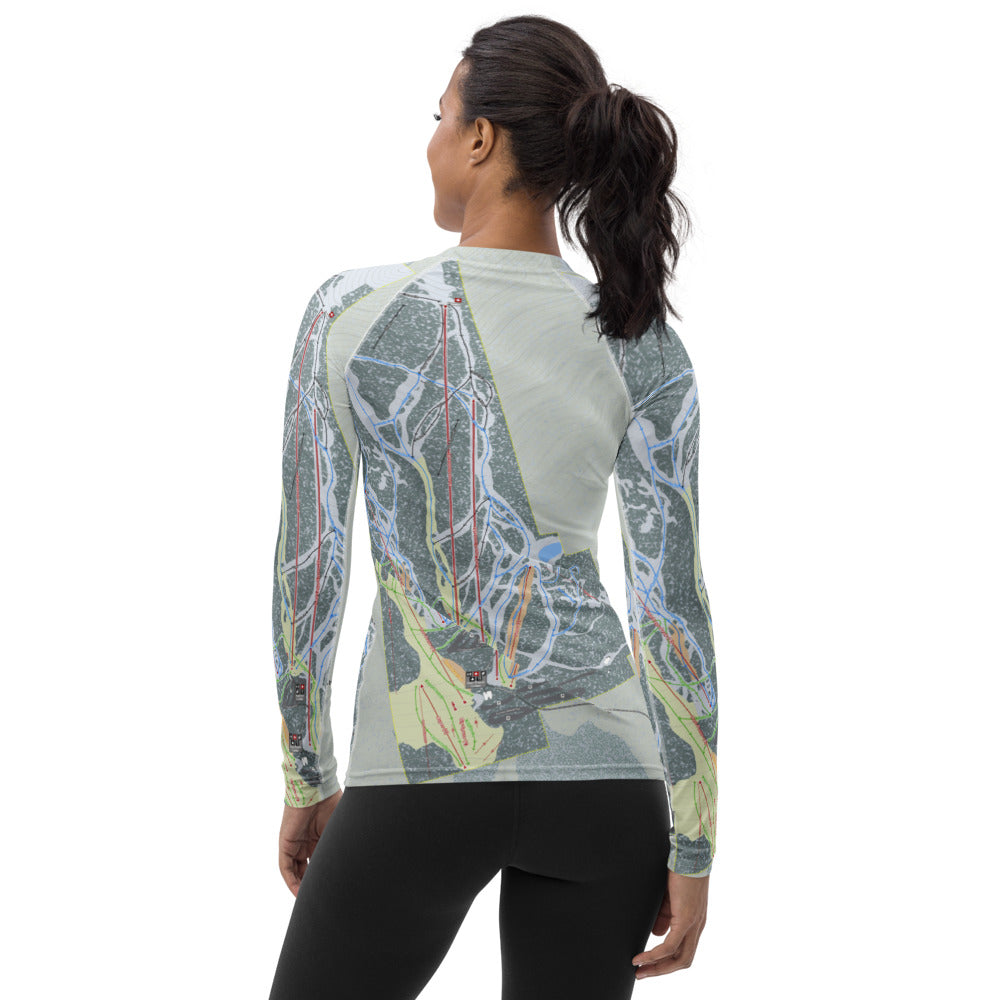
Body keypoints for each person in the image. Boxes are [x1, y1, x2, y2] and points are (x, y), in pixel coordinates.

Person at [267, 14, 718, 1000]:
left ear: (479, 138)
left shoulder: (350, 311)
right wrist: (694, 841)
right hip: (610, 788)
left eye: (439, 116)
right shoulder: (641, 339)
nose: (431, 140)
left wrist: (308, 773)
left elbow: (311, 569)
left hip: (423, 770)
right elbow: (671, 609)